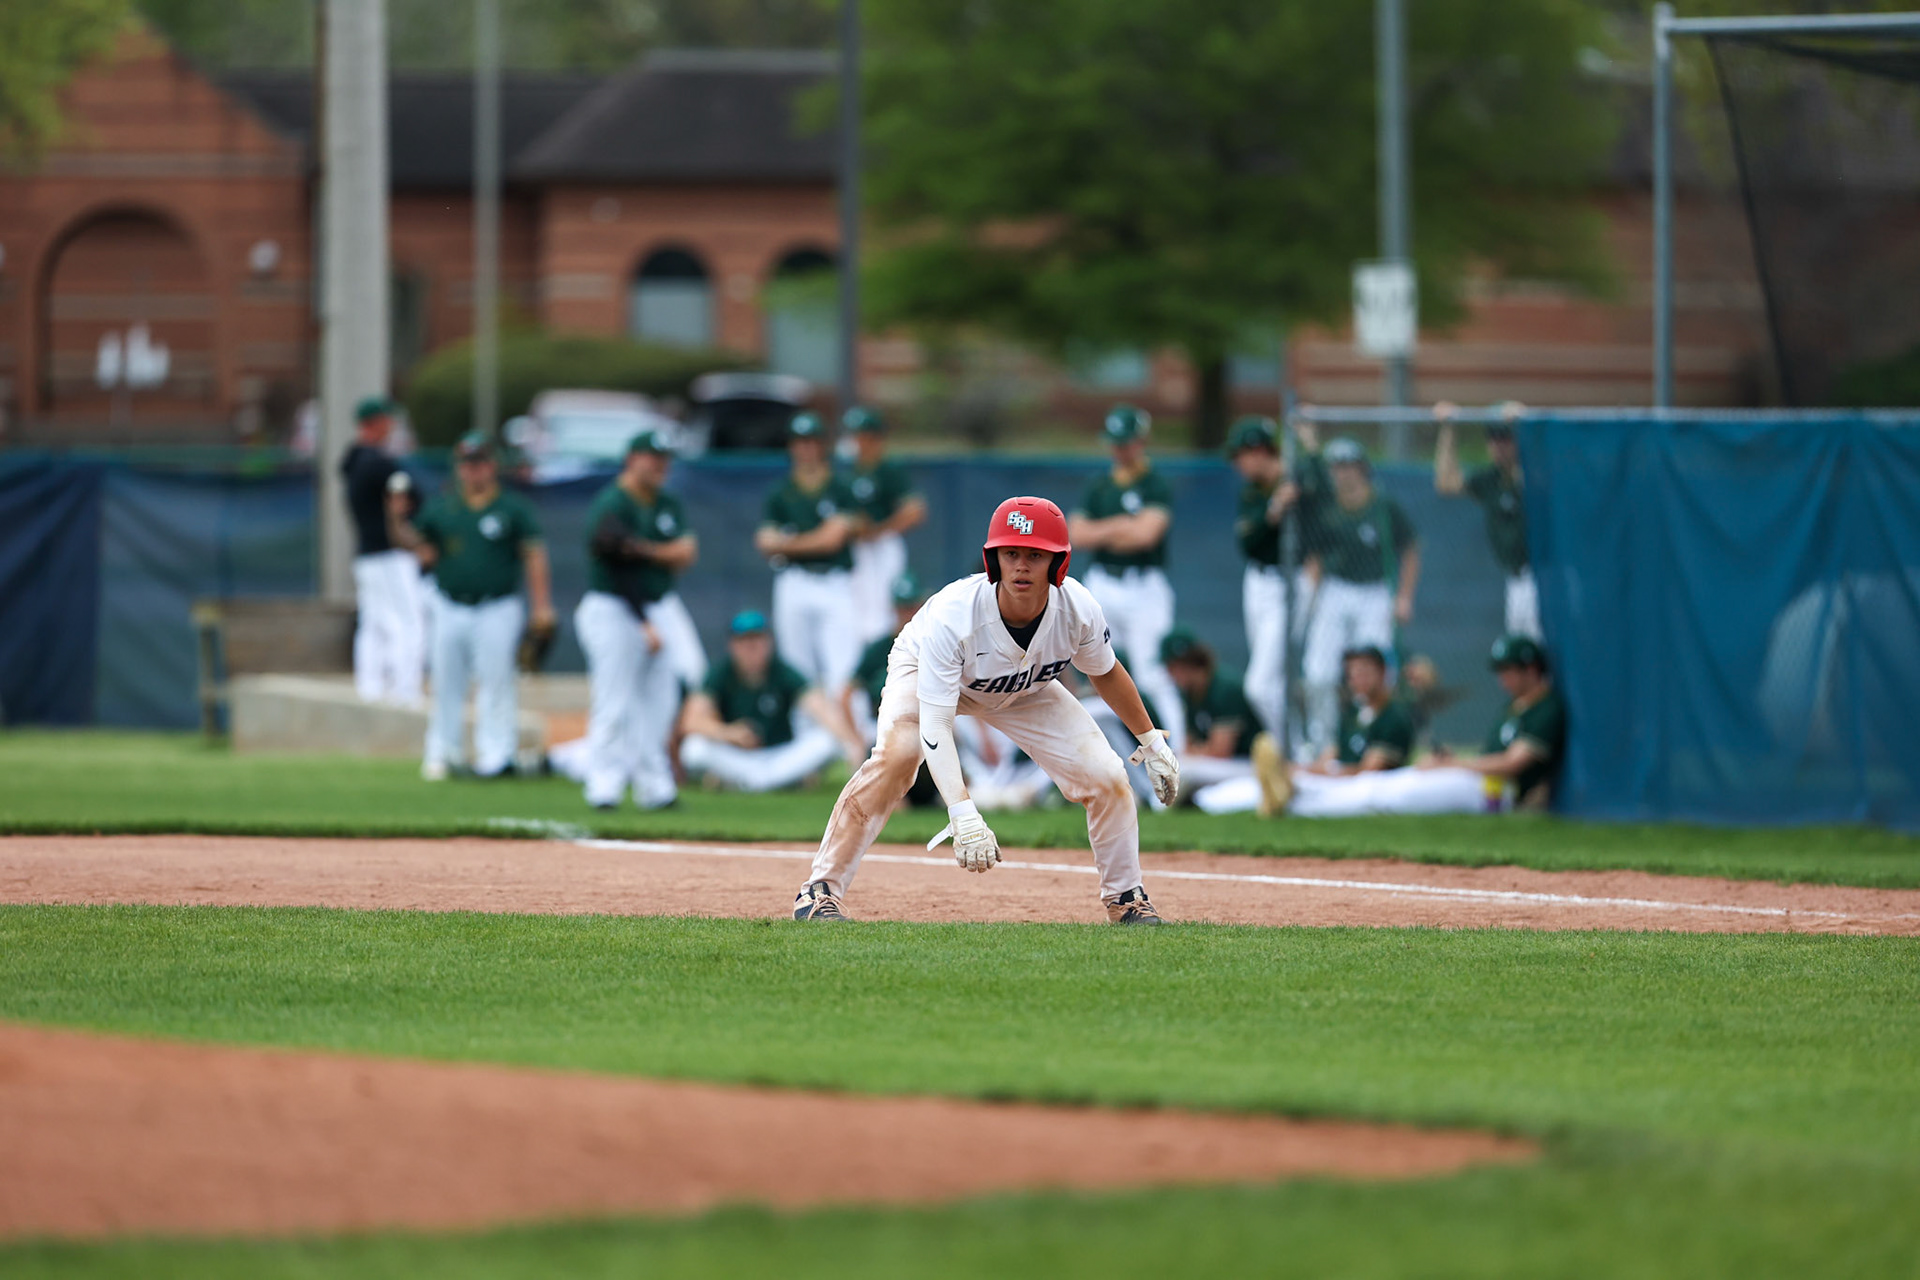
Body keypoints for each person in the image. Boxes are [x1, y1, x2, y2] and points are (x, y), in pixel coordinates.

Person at [792, 496, 1179, 925]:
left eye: (1035, 555)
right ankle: (818, 891)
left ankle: (1126, 898)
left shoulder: (1077, 609)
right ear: (993, 559)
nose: (1020, 566)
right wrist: (961, 810)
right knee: (899, 755)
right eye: (1010, 553)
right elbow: (936, 723)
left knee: (1107, 775)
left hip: (1023, 686)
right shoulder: (955, 616)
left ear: (1058, 563)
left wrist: (1149, 741)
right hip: (928, 670)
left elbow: (1106, 672)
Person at [390, 431, 553, 780]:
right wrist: (397, 520)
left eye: (479, 463)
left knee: (496, 681)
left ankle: (496, 755)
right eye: (467, 464)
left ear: (492, 466)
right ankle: (442, 752)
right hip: (450, 603)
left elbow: (534, 554)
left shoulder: (512, 508)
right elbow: (421, 548)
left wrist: (542, 605)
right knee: (446, 682)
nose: (473, 471)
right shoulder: (444, 507)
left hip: (497, 605)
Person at [1252, 634, 1565, 817]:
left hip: (1498, 793)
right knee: (1388, 786)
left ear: (1532, 669)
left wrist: (1454, 763)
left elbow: (1513, 764)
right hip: (1477, 781)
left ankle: (1294, 801)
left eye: (1509, 670)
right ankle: (1291, 793)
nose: (1502, 678)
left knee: (1380, 794)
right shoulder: (1513, 707)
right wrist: (1449, 762)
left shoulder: (1545, 707)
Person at [575, 430, 698, 811]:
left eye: (663, 458)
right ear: (631, 458)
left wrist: (642, 550)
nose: (658, 464)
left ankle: (654, 785)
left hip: (658, 605)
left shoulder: (666, 502)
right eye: (651, 456)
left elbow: (685, 552)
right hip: (614, 607)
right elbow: (614, 562)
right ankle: (604, 784)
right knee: (615, 699)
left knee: (660, 700)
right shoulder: (613, 501)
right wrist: (642, 619)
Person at [1068, 404, 1185, 752]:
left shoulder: (1155, 483)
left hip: (1143, 584)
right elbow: (1077, 534)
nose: (1120, 449)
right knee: (1097, 669)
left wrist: (1105, 529)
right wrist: (1123, 524)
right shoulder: (1100, 485)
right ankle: (1104, 757)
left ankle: (1176, 754)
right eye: (1115, 442)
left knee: (1152, 674)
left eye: (1127, 442)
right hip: (1103, 581)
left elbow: (1147, 535)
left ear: (1141, 441)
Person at [1300, 437, 1419, 757]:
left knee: (1379, 671)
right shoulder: (1326, 509)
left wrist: (1404, 596)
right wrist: (1310, 599)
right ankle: (1322, 744)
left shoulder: (1382, 505)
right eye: (1337, 467)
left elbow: (1409, 548)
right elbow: (1314, 556)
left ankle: (1379, 740)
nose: (1343, 473)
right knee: (1319, 673)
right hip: (1335, 589)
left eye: (1349, 465)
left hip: (1375, 590)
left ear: (1362, 468)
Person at [679, 611, 867, 793]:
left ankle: (749, 783)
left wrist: (852, 744)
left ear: (769, 642)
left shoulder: (782, 671)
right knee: (693, 749)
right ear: (732, 645)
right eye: (744, 641)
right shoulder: (720, 673)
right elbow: (690, 721)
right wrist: (729, 733)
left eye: (757, 640)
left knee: (827, 741)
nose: (751, 647)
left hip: (779, 757)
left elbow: (820, 708)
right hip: (738, 757)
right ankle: (771, 782)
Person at [756, 412, 862, 699]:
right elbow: (764, 541)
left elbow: (831, 541)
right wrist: (813, 539)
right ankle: (811, 736)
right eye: (801, 442)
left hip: (834, 581)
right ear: (792, 446)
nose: (807, 449)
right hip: (794, 581)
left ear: (823, 445)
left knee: (842, 664)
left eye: (813, 442)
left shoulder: (840, 487)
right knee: (797, 666)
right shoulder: (781, 492)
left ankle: (848, 737)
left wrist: (787, 542)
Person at [1246, 645, 1417, 817]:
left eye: (1364, 673)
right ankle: (1280, 788)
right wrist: (1302, 769)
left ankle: (1282, 793)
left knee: (1329, 791)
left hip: (1372, 788)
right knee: (1302, 779)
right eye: (1353, 674)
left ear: (1383, 673)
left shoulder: (1394, 717)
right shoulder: (1354, 713)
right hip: (1342, 778)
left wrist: (1320, 773)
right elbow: (1333, 753)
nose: (1358, 680)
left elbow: (1368, 771)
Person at [1226, 415, 1315, 736]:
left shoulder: (1299, 479)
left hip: (1291, 582)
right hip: (1258, 580)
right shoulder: (1253, 493)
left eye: (1242, 455)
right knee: (1271, 681)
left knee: (1260, 686)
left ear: (1260, 451)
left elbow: (1325, 492)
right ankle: (1291, 749)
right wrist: (1274, 510)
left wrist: (1310, 444)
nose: (1238, 464)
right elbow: (1248, 542)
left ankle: (1291, 750)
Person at [341, 396, 425, 706]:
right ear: (374, 423)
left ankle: (370, 690)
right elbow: (411, 494)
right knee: (407, 623)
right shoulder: (376, 463)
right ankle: (405, 694)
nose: (391, 427)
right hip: (390, 552)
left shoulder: (352, 460)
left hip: (366, 555)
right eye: (386, 420)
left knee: (373, 625)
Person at [1435, 401, 1539, 638]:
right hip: (1515, 579)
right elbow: (1446, 483)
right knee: (1521, 649)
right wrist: (1448, 430)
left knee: (1543, 650)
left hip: (1542, 576)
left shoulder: (1536, 473)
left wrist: (1526, 425)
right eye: (1493, 438)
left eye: (1505, 438)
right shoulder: (1491, 479)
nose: (1498, 445)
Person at [842, 407, 928, 645]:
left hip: (883, 544)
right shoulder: (850, 471)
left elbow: (915, 510)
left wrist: (879, 529)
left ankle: (887, 656)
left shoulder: (888, 470)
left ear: (874, 437)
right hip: (856, 547)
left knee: (884, 606)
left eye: (861, 434)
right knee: (856, 608)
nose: (857, 441)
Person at [1158, 628, 1259, 812]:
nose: (1169, 674)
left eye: (1171, 667)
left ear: (1186, 663)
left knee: (1183, 770)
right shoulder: (1189, 694)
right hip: (1217, 766)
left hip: (1247, 764)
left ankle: (1161, 806)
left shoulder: (1224, 688)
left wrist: (1197, 752)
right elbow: (1190, 745)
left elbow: (1220, 751)